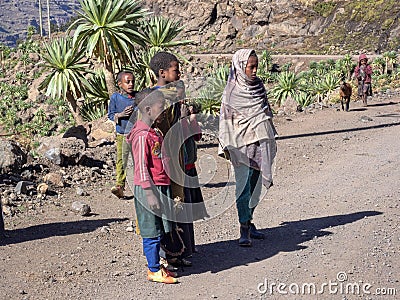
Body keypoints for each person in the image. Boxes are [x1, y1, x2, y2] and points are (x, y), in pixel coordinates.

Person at [218, 49, 277, 247]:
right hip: (241, 145)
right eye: (250, 67)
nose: (254, 70)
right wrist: (228, 146)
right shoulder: (232, 91)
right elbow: (226, 122)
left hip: (260, 142)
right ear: (240, 66)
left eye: (256, 66)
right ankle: (243, 227)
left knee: (255, 186)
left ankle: (250, 221)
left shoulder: (258, 86)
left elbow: (265, 110)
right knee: (243, 187)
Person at [126, 88, 178, 284]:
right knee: (151, 231)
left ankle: (158, 263)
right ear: (148, 110)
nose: (163, 112)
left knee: (160, 228)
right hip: (150, 189)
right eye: (161, 108)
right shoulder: (141, 136)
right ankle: (153, 269)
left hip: (159, 186)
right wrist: (149, 193)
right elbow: (140, 167)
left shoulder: (153, 132)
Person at [149, 52, 195, 266]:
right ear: (162, 73)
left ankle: (177, 252)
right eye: (176, 69)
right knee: (168, 206)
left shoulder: (175, 92)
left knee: (178, 204)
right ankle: (168, 254)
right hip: (164, 160)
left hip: (177, 158)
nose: (179, 73)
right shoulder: (155, 99)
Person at [108, 70, 136, 198]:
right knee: (121, 160)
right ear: (120, 84)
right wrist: (121, 115)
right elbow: (111, 115)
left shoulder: (138, 97)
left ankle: (140, 185)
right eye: (127, 82)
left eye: (132, 82)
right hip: (122, 134)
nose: (131, 84)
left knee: (138, 160)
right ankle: (120, 186)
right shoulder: (115, 97)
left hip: (137, 134)